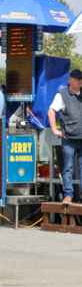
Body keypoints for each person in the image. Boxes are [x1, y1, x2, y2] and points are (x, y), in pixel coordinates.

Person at [48, 68, 82, 204]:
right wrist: (55, 129)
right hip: (68, 138)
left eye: (79, 80)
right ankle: (68, 195)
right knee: (67, 167)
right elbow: (51, 111)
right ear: (72, 81)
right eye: (76, 80)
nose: (79, 83)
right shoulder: (61, 94)